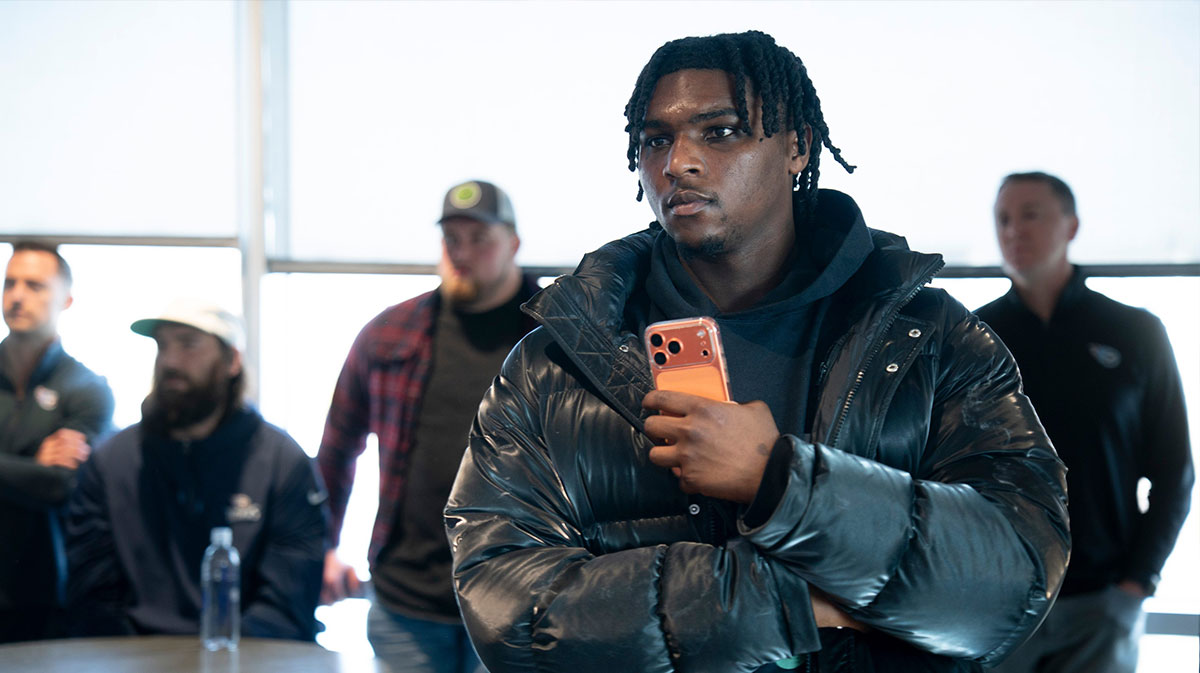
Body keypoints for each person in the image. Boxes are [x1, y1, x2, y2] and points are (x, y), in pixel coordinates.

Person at [445, 31, 1071, 673]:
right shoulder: (555, 363)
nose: (678, 163)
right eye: (655, 140)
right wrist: (783, 603)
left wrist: (780, 480)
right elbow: (510, 616)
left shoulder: (927, 337)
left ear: (798, 146)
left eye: (719, 133)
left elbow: (1014, 583)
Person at [318, 180, 540, 672]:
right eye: (451, 239)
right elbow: (336, 450)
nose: (462, 252)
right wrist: (324, 548)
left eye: (479, 239)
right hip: (407, 602)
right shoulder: (389, 334)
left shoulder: (554, 338)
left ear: (513, 244)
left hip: (519, 602)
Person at [977, 172, 1193, 673]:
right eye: (1003, 219)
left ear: (1071, 226)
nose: (1014, 231)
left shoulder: (1136, 331)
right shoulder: (975, 336)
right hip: (999, 600)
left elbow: (1174, 471)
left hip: (1101, 599)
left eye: (1031, 215)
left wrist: (1138, 582)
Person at [65, 298, 327, 640]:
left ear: (232, 360)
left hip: (249, 656)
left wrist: (218, 658)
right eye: (162, 346)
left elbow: (287, 605)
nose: (170, 361)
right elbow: (93, 600)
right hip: (136, 656)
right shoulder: (111, 462)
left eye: (188, 344)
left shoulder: (282, 463)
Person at [0, 241, 114, 643]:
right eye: (10, 283)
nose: (17, 295)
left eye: (35, 285)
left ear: (66, 300)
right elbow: (42, 478)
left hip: (46, 600)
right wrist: (32, 465)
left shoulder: (87, 388)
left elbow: (61, 485)